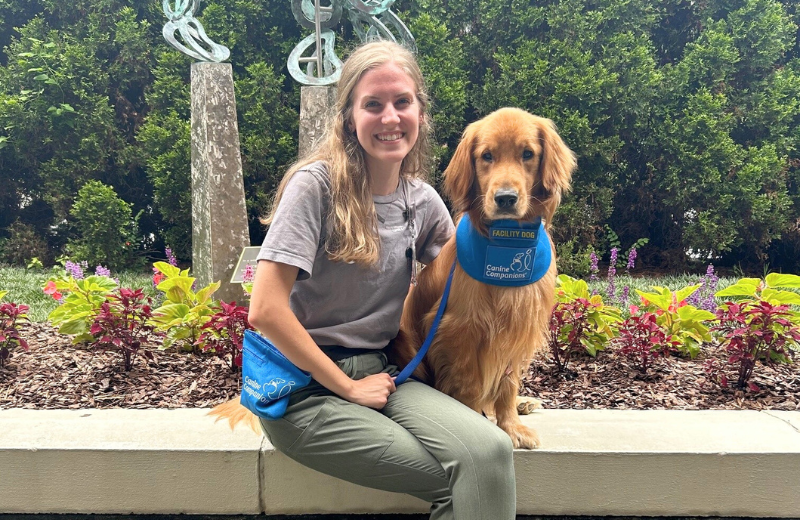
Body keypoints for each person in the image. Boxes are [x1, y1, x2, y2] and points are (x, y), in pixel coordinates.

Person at [247, 40, 516, 520]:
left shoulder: (422, 201)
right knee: (469, 478)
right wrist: (348, 388)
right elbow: (265, 310)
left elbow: (472, 278)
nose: (390, 117)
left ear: (420, 113)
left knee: (491, 453)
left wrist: (522, 221)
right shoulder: (315, 187)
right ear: (349, 118)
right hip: (305, 390)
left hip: (385, 374)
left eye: (402, 102)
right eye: (372, 104)